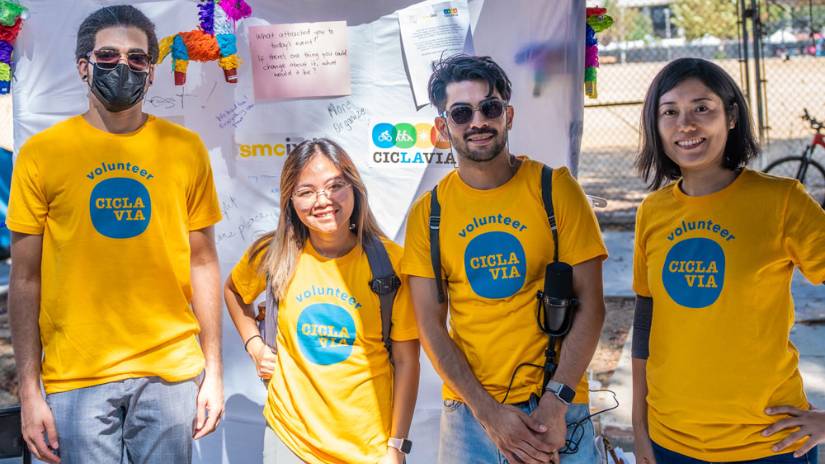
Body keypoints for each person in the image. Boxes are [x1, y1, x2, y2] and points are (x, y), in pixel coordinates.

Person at [6, 5, 224, 463]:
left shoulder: (185, 150)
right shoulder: (41, 154)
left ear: (151, 72)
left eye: (137, 58)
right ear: (83, 66)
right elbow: (25, 279)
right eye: (107, 56)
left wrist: (215, 370)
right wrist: (29, 389)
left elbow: (202, 261)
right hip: (75, 377)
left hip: (169, 373)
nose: (122, 67)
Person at [401, 54, 607, 464]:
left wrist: (557, 400)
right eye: (461, 113)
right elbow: (430, 326)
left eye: (489, 108)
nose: (477, 121)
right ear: (444, 128)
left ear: (508, 115)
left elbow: (593, 307)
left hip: (557, 407)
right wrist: (488, 413)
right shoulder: (430, 213)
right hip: (470, 415)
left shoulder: (556, 189)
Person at [631, 57, 825, 464]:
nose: (686, 124)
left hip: (768, 444)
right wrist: (639, 426)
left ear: (731, 115)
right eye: (670, 112)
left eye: (702, 108)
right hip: (671, 442)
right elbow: (646, 316)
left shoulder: (782, 201)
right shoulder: (652, 211)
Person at [224, 138, 420, 464]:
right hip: (290, 440)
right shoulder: (273, 254)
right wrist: (255, 346)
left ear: (355, 189)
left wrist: (395, 446)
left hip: (367, 449)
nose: (323, 200)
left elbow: (407, 362)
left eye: (335, 186)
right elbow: (233, 292)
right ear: (290, 200)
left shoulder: (392, 264)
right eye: (306, 191)